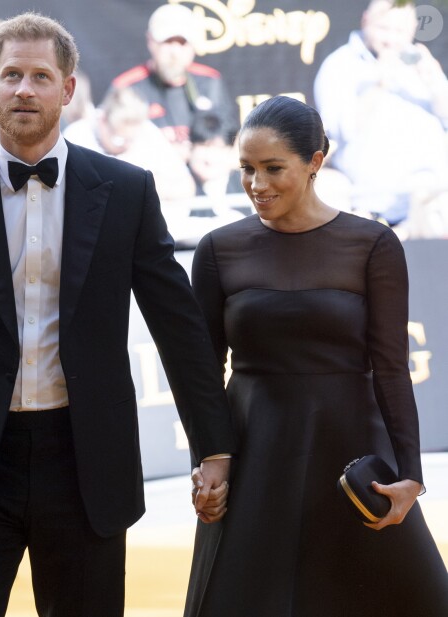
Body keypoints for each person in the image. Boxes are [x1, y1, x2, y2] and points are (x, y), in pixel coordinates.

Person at [0, 12, 235, 617]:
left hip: (86, 459)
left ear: (67, 90)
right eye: (11, 75)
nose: (23, 90)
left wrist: (212, 446)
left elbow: (180, 327)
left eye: (40, 76)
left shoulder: (124, 191)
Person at [184, 95, 448, 616]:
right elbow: (202, 372)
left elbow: (391, 366)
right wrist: (210, 458)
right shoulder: (218, 249)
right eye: (247, 169)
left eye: (273, 168)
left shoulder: (371, 245)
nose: (257, 185)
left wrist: (410, 475)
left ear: (315, 162)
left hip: (349, 448)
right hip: (255, 447)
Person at [313, 0, 448, 229]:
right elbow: (338, 131)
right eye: (384, 29)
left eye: (400, 31)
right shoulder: (339, 65)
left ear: (413, 28)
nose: (391, 39)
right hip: (370, 201)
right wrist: (379, 83)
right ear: (366, 20)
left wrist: (436, 84)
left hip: (430, 194)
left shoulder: (419, 61)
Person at [108, 3, 238, 162]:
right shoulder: (127, 86)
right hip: (148, 176)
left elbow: (230, 139)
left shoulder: (209, 81)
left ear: (193, 45)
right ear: (151, 41)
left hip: (204, 176)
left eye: (182, 42)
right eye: (168, 42)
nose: (175, 52)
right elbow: (111, 144)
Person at [63, 86, 196, 203]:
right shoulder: (77, 137)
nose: (126, 146)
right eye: (118, 139)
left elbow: (187, 186)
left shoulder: (148, 132)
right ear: (102, 120)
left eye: (131, 140)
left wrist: (151, 187)